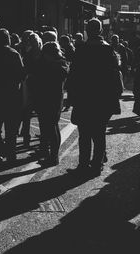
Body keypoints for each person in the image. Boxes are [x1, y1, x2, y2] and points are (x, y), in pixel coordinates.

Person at [66, 18, 122, 176]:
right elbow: (114, 76)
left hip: (84, 98)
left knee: (84, 134)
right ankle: (97, 165)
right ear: (100, 31)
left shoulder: (81, 49)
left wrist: (71, 97)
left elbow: (74, 76)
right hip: (103, 99)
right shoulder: (108, 49)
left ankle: (83, 164)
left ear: (87, 31)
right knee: (99, 133)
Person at [0, 28, 25, 165]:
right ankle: (11, 154)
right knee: (11, 128)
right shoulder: (13, 53)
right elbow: (21, 74)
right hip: (11, 94)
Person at [33, 42, 69, 166]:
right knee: (51, 127)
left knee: (51, 127)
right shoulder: (61, 64)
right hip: (54, 98)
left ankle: (53, 157)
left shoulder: (54, 65)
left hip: (48, 99)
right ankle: (51, 155)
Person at [20, 32, 43, 147]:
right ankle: (27, 137)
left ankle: (27, 138)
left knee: (29, 113)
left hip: (33, 85)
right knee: (31, 113)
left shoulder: (31, 54)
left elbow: (24, 69)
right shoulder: (39, 54)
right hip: (34, 86)